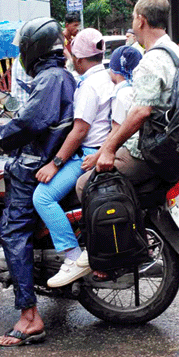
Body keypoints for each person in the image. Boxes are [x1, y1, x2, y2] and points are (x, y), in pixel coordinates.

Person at [0, 17, 77, 346]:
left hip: (33, 165)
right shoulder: (55, 75)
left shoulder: (51, 78)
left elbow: (28, 125)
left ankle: (29, 316)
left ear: (34, 50)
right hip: (43, 158)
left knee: (13, 231)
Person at [74, 0, 179, 255]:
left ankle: (105, 256)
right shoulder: (178, 53)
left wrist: (108, 150)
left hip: (149, 152)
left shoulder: (153, 60)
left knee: (85, 184)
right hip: (173, 148)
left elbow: (140, 112)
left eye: (133, 18)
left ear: (141, 20)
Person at [27, 28, 112, 288]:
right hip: (100, 149)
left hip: (86, 155)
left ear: (77, 59)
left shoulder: (88, 86)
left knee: (42, 197)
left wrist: (55, 164)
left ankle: (73, 256)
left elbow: (80, 131)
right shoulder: (105, 77)